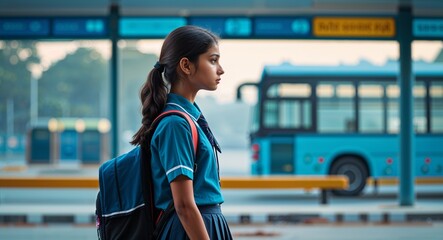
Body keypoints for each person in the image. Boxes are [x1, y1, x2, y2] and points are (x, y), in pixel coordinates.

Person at [131, 25, 233, 240]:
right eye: (213, 60)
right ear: (186, 65)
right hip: (188, 230)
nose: (221, 69)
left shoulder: (189, 120)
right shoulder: (176, 124)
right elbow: (185, 205)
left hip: (200, 225)